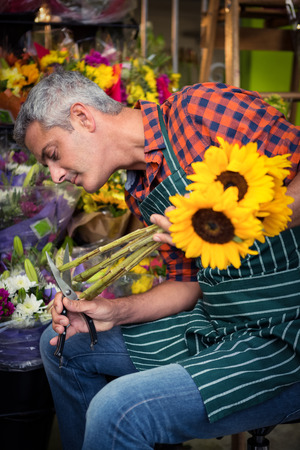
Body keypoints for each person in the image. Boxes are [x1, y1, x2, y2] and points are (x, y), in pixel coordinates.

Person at [13, 70, 300, 450]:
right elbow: (188, 284)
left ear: (83, 117)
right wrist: (114, 311)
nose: (56, 174)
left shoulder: (200, 111)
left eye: (53, 154)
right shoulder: (140, 188)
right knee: (60, 344)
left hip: (283, 331)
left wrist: (225, 222)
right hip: (220, 325)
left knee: (119, 411)